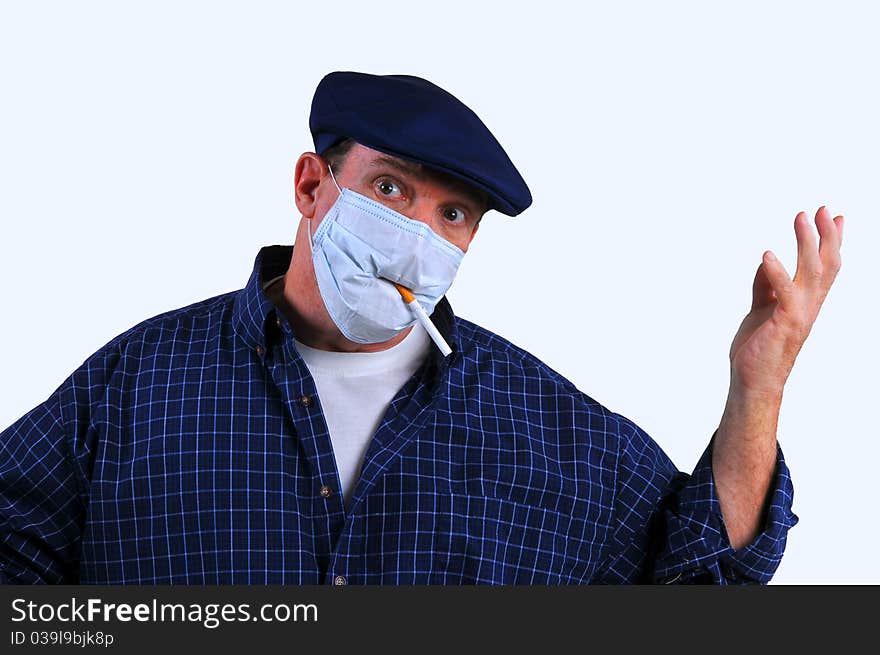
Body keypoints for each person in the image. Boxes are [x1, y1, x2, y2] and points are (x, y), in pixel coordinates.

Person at [0, 71, 842, 585]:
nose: (418, 236)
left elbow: (703, 584)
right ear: (310, 185)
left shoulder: (556, 434)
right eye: (393, 190)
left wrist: (759, 380)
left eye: (454, 214)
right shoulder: (136, 385)